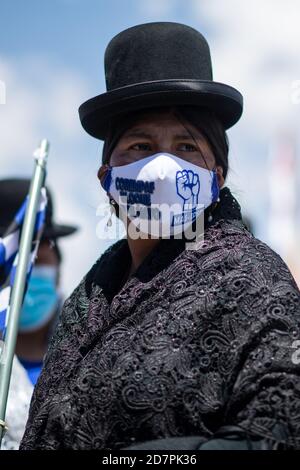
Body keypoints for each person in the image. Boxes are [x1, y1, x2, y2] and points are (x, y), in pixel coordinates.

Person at [20, 22, 300, 450]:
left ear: (216, 177)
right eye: (140, 146)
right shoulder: (88, 297)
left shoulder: (252, 279)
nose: (164, 166)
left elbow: (278, 431)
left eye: (187, 146)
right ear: (107, 179)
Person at [0, 178, 77, 449]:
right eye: (15, 266)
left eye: (38, 262)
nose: (26, 279)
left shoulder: (92, 351)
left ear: (58, 269)